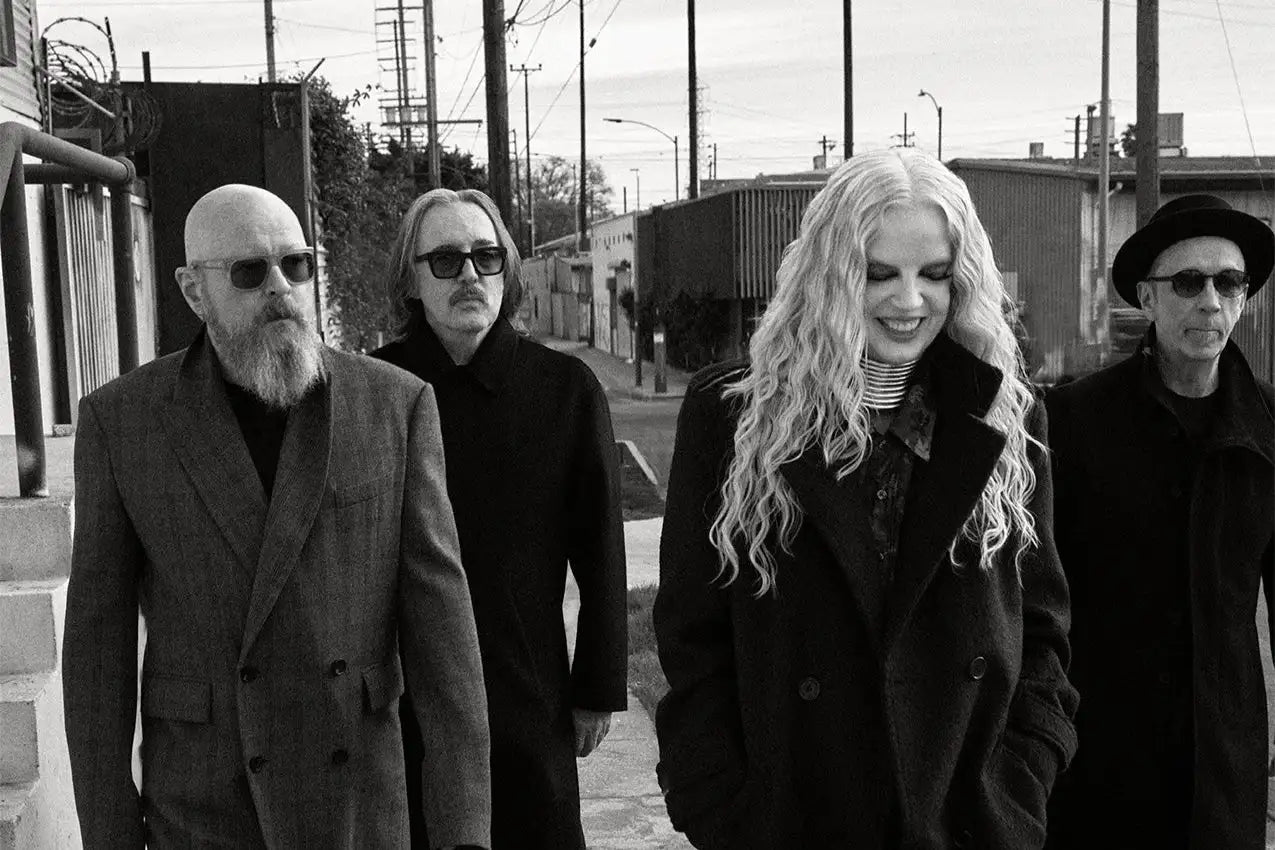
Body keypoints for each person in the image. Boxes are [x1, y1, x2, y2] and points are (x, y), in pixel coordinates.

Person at [654, 148, 1079, 850]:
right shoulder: (735, 414)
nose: (908, 301)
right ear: (829, 275)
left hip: (966, 822)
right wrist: (719, 805)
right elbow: (691, 637)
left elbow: (1042, 628)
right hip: (792, 820)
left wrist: (1020, 782)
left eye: (933, 274)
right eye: (878, 273)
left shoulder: (1005, 414)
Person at [62, 184, 491, 849]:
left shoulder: (393, 405)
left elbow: (443, 629)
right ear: (192, 290)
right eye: (248, 271)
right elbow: (97, 646)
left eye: (296, 265)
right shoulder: (122, 422)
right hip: (204, 804)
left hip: (356, 802)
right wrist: (110, 833)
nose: (280, 287)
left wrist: (464, 831)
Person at [372, 188, 628, 850]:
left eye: (486, 258)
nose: (469, 276)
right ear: (410, 276)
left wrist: (596, 686)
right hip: (399, 698)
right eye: (447, 260)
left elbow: (600, 550)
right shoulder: (371, 391)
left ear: (507, 269)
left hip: (525, 689)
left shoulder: (564, 390)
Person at [1045, 195, 1274, 850]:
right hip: (1096, 768)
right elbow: (1033, 601)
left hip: (1222, 772)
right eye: (1186, 282)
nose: (1209, 301)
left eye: (1227, 282)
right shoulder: (1074, 423)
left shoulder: (1266, 429)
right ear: (1146, 300)